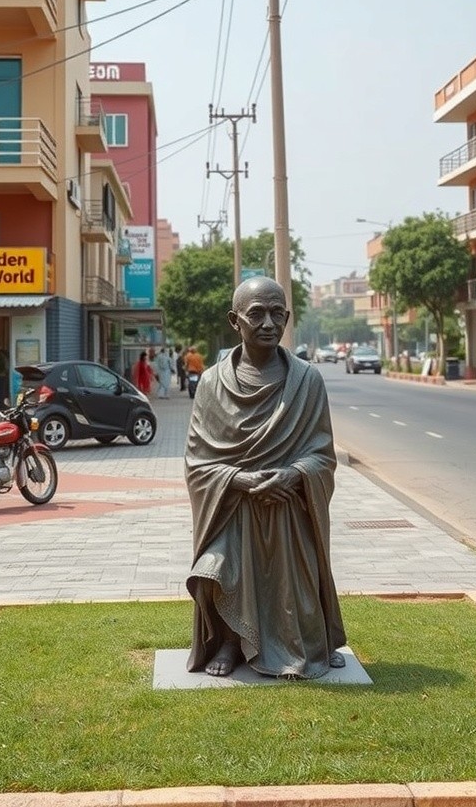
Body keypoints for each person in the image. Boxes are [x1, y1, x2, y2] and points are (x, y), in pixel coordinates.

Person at [185, 277, 346, 681]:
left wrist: (293, 474)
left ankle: (310, 642)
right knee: (215, 570)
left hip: (289, 508)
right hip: (234, 509)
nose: (269, 323)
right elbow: (198, 462)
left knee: (298, 589)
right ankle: (228, 641)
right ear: (234, 320)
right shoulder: (210, 383)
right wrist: (238, 480)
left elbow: (322, 455)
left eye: (278, 313)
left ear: (288, 317)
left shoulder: (308, 380)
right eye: (256, 314)